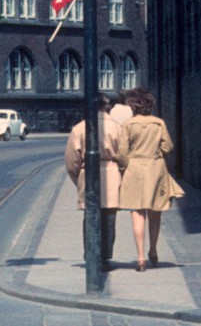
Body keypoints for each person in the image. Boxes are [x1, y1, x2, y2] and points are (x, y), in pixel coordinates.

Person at [118, 88, 184, 271]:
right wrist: (156, 154)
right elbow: (168, 146)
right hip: (155, 169)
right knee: (155, 212)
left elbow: (122, 153)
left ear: (132, 105)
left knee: (137, 213)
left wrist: (126, 167)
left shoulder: (128, 125)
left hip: (135, 170)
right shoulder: (159, 123)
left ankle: (140, 258)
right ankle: (153, 250)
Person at [64, 93, 122, 271]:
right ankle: (104, 256)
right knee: (109, 217)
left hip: (87, 172)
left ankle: (91, 254)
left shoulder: (79, 128)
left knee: (90, 216)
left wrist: (78, 178)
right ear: (108, 106)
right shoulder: (117, 127)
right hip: (111, 173)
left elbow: (71, 161)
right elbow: (124, 155)